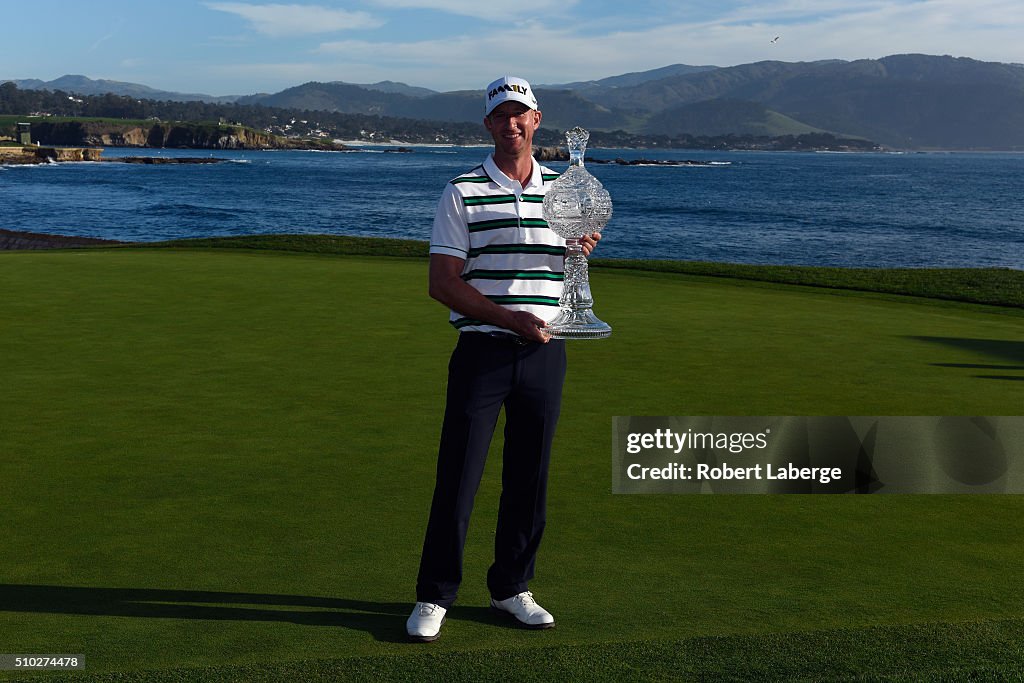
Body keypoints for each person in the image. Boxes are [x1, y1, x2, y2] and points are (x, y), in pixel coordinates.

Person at [407, 75, 600, 642]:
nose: (512, 124)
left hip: (547, 352)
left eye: (522, 114)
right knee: (459, 478)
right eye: (501, 115)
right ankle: (435, 595)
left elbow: (560, 270)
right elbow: (443, 283)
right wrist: (507, 318)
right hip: (483, 352)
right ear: (488, 124)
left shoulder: (564, 193)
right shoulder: (462, 190)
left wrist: (578, 252)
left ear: (537, 121)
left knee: (529, 477)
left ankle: (511, 589)